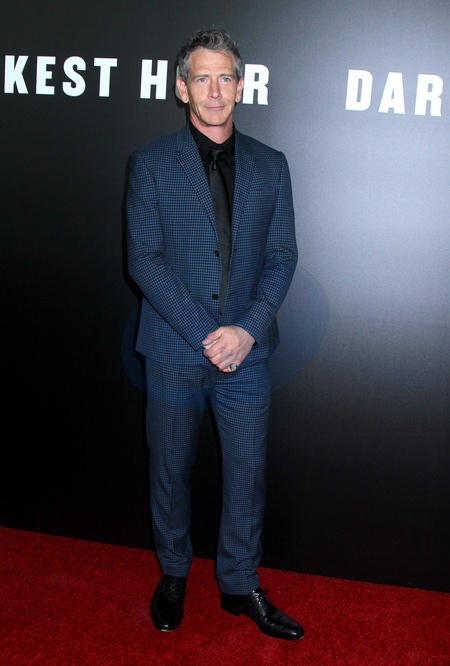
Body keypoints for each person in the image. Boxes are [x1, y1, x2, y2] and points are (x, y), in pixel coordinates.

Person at [126, 28, 303, 641]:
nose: (215, 90)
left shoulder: (272, 165)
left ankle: (238, 583)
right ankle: (174, 574)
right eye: (202, 78)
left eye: (225, 77)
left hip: (247, 352)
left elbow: (283, 256)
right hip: (174, 347)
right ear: (182, 89)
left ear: (241, 85)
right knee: (169, 469)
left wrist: (246, 331)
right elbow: (144, 260)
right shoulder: (151, 164)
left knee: (247, 472)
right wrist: (209, 334)